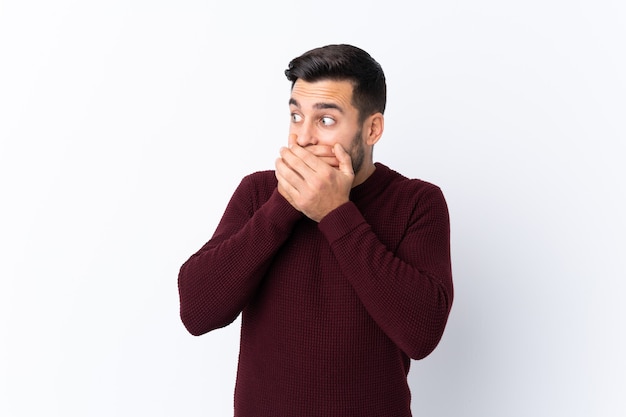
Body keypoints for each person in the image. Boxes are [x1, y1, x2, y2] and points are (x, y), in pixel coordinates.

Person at [178, 44, 454, 417]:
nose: (302, 138)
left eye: (325, 120)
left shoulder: (417, 202)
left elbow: (422, 334)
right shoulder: (259, 193)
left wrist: (336, 213)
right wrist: (283, 206)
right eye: (295, 116)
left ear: (372, 129)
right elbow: (197, 311)